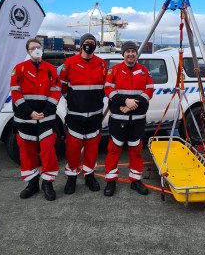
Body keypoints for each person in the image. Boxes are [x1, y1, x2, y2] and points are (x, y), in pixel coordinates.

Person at [10, 38, 61, 201]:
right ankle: (32, 183)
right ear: (28, 51)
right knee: (27, 153)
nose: (36, 50)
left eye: (38, 47)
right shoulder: (19, 69)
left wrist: (45, 111)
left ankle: (48, 183)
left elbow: (55, 91)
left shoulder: (51, 69)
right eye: (32, 48)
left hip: (46, 119)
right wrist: (30, 112)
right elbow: (15, 93)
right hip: (25, 119)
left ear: (42, 49)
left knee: (48, 151)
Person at [103, 41, 154, 196]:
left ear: (136, 54)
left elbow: (149, 91)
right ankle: (111, 181)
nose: (131, 54)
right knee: (114, 149)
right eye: (128, 51)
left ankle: (136, 180)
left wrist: (132, 105)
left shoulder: (145, 71)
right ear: (123, 54)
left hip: (138, 120)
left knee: (136, 150)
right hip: (118, 120)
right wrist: (124, 102)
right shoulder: (114, 70)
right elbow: (108, 89)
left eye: (133, 51)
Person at [59, 33, 107, 194]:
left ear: (95, 45)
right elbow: (63, 87)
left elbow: (106, 87)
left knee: (92, 148)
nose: (89, 44)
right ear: (81, 45)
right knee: (73, 148)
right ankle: (71, 177)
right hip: (75, 115)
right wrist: (73, 100)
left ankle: (89, 175)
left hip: (95, 115)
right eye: (86, 42)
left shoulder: (101, 64)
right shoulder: (70, 63)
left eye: (92, 42)